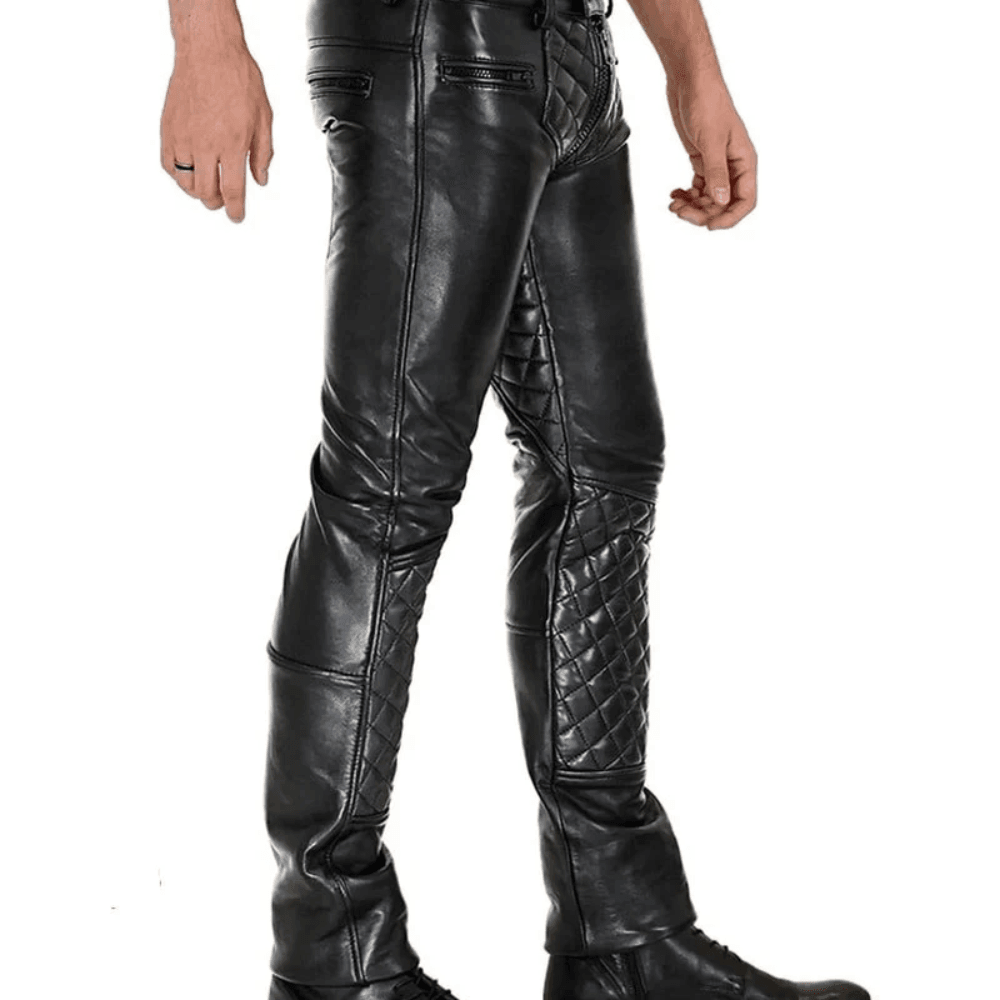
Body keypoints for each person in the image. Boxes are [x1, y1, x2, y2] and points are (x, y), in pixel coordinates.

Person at [160, 1, 870, 999]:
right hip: (432, 49)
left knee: (604, 475)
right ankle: (332, 956)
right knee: (386, 490)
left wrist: (691, 65)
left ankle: (617, 934)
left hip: (570, 59)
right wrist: (205, 38)